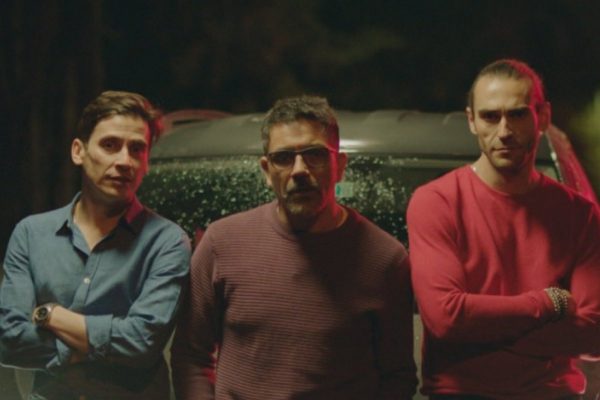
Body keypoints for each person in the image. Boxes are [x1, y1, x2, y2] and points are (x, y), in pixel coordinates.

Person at [171, 95, 417, 399]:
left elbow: (397, 376)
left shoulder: (384, 258)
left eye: (315, 154)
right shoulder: (221, 243)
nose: (299, 170)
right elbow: (191, 356)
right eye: (284, 158)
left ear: (339, 166)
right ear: (266, 170)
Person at [407, 59, 600, 399]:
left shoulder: (578, 214)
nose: (505, 131)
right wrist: (548, 303)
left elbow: (593, 331)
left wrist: (478, 330)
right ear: (472, 121)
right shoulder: (437, 202)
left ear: (543, 117)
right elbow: (446, 318)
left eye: (518, 114)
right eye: (490, 116)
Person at [0, 91, 191, 399]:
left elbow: (141, 343)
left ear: (147, 162)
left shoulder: (167, 241)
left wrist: (50, 315)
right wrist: (91, 346)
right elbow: (9, 340)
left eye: (137, 149)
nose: (124, 161)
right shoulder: (32, 233)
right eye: (110, 145)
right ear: (79, 151)